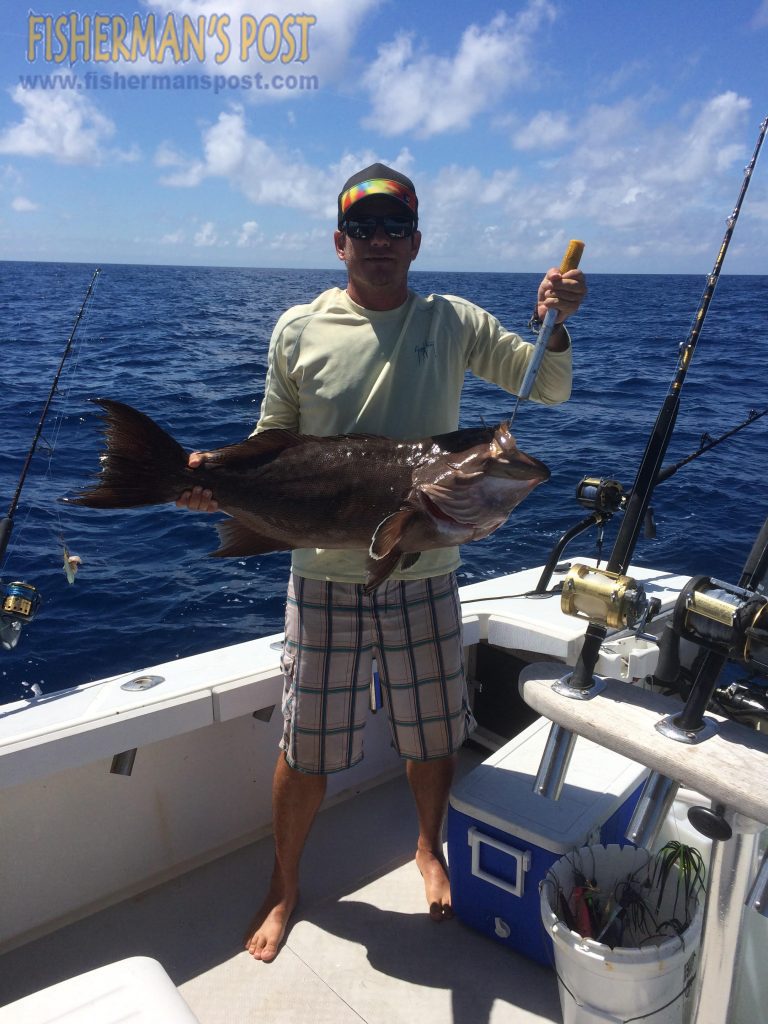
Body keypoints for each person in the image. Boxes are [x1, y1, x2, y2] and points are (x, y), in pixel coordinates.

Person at [177, 162, 587, 961]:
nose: (378, 242)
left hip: (424, 577)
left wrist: (556, 321)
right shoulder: (299, 328)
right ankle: (283, 883)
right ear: (339, 243)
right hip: (322, 579)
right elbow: (274, 441)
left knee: (431, 736)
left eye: (393, 227)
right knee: (306, 749)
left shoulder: (454, 320)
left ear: (415, 240)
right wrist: (216, 482)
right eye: (362, 228)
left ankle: (426, 848)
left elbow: (549, 387)